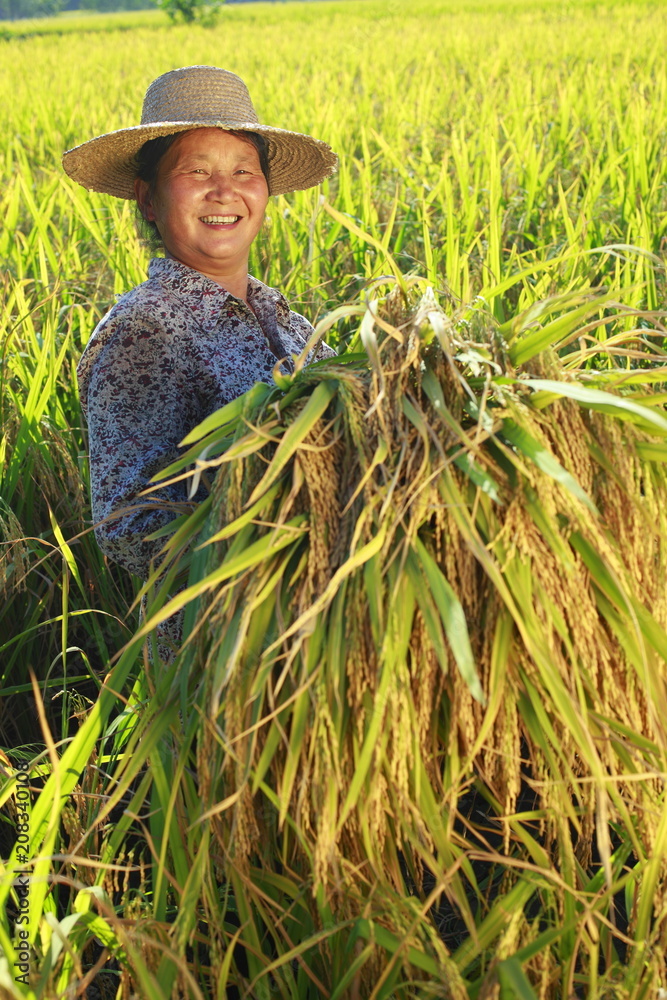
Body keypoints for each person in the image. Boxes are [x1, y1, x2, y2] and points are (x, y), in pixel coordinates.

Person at [62, 65, 337, 655]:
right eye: (196, 172)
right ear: (148, 200)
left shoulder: (289, 322)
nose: (224, 191)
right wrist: (285, 520)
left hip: (323, 640)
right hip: (224, 657)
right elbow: (125, 525)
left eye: (244, 171)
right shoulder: (144, 331)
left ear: (265, 191)